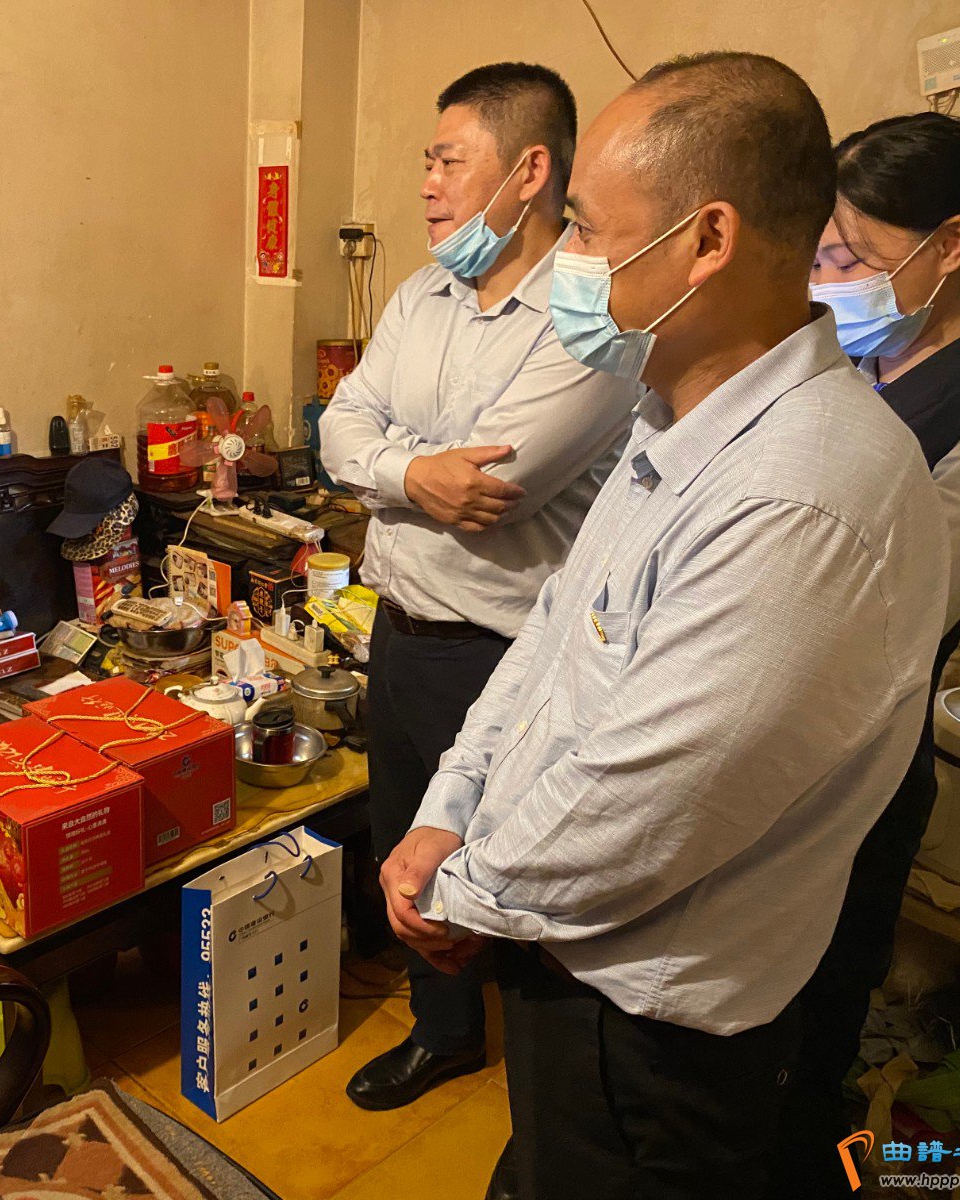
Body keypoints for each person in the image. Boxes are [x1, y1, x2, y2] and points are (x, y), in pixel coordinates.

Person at [379, 53, 949, 1198]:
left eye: (588, 230)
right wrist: (449, 810)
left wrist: (464, 894)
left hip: (647, 1023)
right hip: (557, 947)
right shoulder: (674, 416)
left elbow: (648, 796)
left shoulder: (800, 489)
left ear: (706, 241)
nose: (569, 260)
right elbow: (550, 643)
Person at [320, 62, 639, 1114]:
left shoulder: (589, 321)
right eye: (428, 162)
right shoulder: (422, 295)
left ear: (529, 171)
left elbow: (499, 488)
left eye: (448, 161)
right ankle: (443, 1035)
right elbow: (336, 429)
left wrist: (388, 463)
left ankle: (538, 1109)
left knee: (506, 870)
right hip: (399, 630)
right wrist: (417, 472)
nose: (426, 185)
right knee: (406, 848)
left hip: (503, 653)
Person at [772, 112, 960, 1197]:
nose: (827, 282)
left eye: (851, 259)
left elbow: (899, 611)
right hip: (777, 745)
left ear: (952, 244)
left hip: (859, 770)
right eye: (820, 257)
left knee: (807, 1029)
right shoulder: (852, 367)